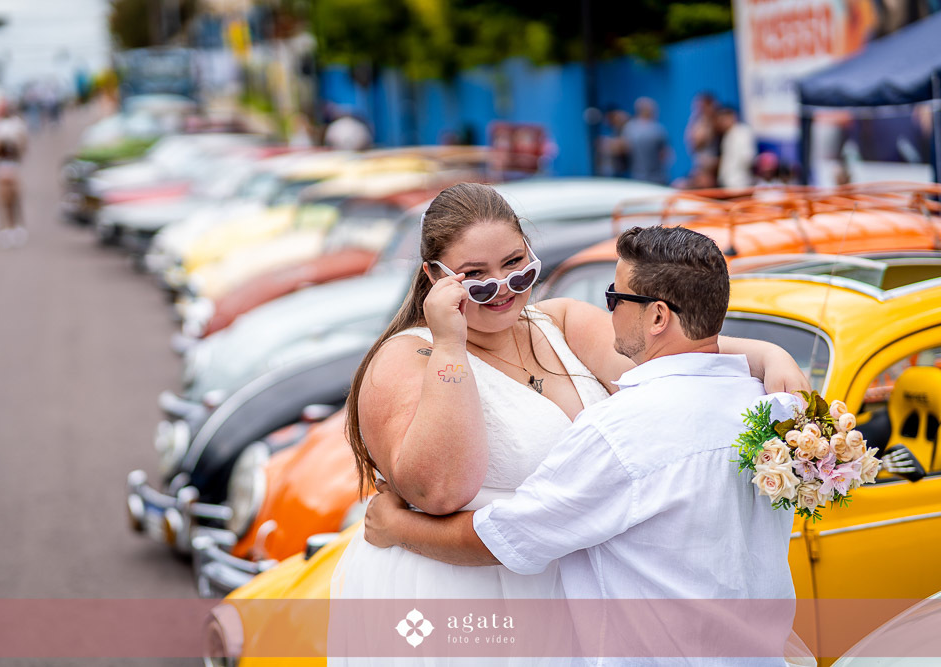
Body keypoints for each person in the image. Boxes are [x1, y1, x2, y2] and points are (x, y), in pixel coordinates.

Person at [329, 183, 809, 665]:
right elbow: (440, 492)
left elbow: (670, 346)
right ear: (435, 276)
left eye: (516, 265)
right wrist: (451, 345)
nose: (502, 288)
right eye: (475, 275)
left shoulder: (558, 322)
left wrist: (768, 354)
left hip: (575, 597)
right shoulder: (406, 357)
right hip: (465, 594)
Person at [0, 100, 29, 248]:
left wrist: (13, 144)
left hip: (14, 167)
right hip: (0, 168)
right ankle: (5, 228)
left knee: (15, 199)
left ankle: (17, 226)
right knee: (3, 201)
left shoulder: (16, 125)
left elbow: (23, 145)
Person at [620, 97, 670, 184]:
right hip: (655, 177)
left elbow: (624, 149)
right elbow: (664, 155)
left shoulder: (629, 127)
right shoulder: (658, 129)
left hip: (637, 176)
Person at [716, 106, 756, 190]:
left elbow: (748, 158)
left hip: (740, 184)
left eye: (724, 119)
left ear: (733, 117)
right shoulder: (728, 134)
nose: (721, 122)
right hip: (728, 183)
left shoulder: (742, 132)